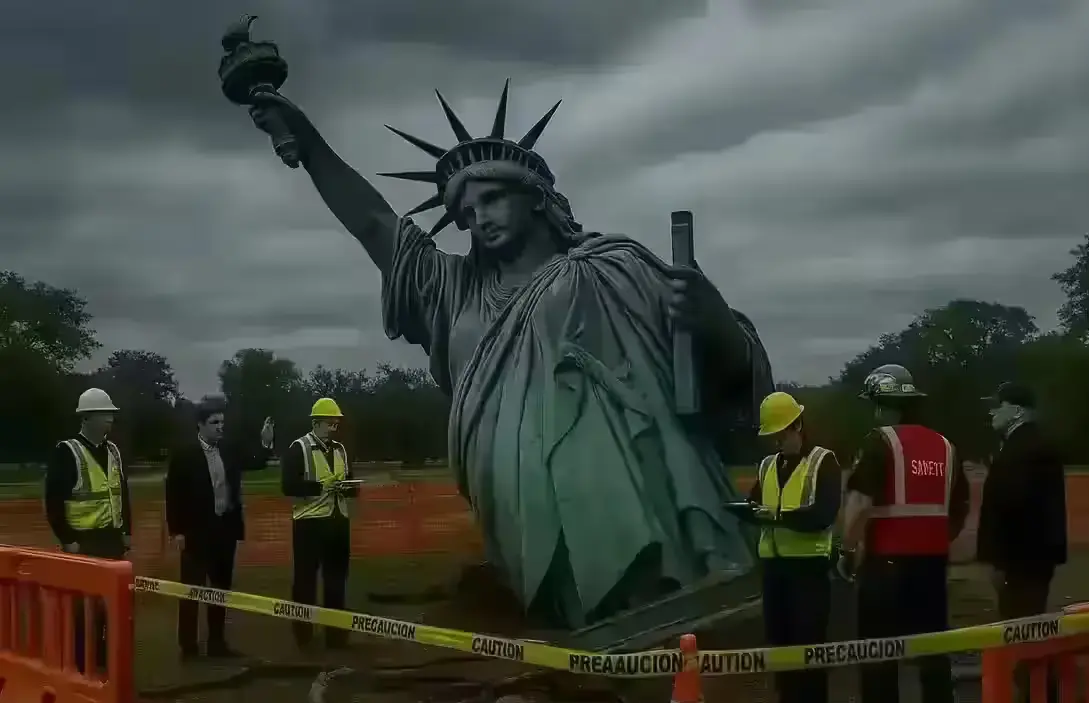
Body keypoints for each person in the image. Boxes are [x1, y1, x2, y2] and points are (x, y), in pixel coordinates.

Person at [240, 81, 772, 630]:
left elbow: (727, 376)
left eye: (491, 199)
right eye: (466, 213)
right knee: (574, 619)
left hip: (638, 491)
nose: (478, 219)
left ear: (536, 195)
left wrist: (713, 319)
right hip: (517, 504)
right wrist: (309, 143)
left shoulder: (613, 267)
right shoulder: (452, 289)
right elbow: (376, 224)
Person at [835, 364, 969, 703]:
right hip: (931, 567)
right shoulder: (947, 447)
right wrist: (934, 542)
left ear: (883, 405)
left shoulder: (881, 443)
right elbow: (959, 509)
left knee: (879, 655)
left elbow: (859, 503)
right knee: (933, 656)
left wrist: (846, 548)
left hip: (886, 566)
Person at [734, 391, 841, 703]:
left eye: (783, 434)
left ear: (798, 426)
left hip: (809, 567)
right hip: (775, 566)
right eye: (774, 436)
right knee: (779, 638)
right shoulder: (769, 466)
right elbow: (755, 505)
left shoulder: (824, 462)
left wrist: (779, 517)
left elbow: (823, 515)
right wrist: (742, 511)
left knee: (810, 641)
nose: (779, 441)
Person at [977, 381, 1067, 703]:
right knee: (1028, 632)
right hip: (1034, 560)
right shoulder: (1032, 445)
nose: (991, 412)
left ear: (1015, 409)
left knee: (1023, 636)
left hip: (1022, 563)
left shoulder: (1020, 450)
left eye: (996, 406)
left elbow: (1012, 510)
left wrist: (999, 561)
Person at [165, 394, 275, 660]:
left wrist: (266, 441)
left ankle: (217, 643)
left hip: (224, 531)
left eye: (222, 422)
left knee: (220, 589)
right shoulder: (184, 455)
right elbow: (173, 494)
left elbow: (257, 461)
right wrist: (177, 531)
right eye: (214, 422)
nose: (220, 427)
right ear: (200, 426)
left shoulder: (230, 450)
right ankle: (188, 647)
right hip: (195, 533)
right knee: (191, 591)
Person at [43, 387, 131, 673]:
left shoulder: (113, 451)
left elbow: (121, 492)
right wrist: (68, 540)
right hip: (83, 543)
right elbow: (54, 501)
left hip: (111, 540)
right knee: (84, 610)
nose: (110, 420)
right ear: (87, 417)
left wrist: (126, 529)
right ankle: (81, 662)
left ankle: (103, 658)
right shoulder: (67, 452)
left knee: (111, 608)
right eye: (106, 414)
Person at [280, 398, 359, 649]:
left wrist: (348, 488)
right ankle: (303, 634)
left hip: (338, 521)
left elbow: (350, 481)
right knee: (305, 581)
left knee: (336, 580)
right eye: (330, 423)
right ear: (316, 423)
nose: (334, 427)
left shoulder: (340, 450)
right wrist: (320, 487)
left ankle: (336, 634)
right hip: (309, 524)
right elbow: (288, 486)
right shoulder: (298, 448)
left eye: (336, 423)